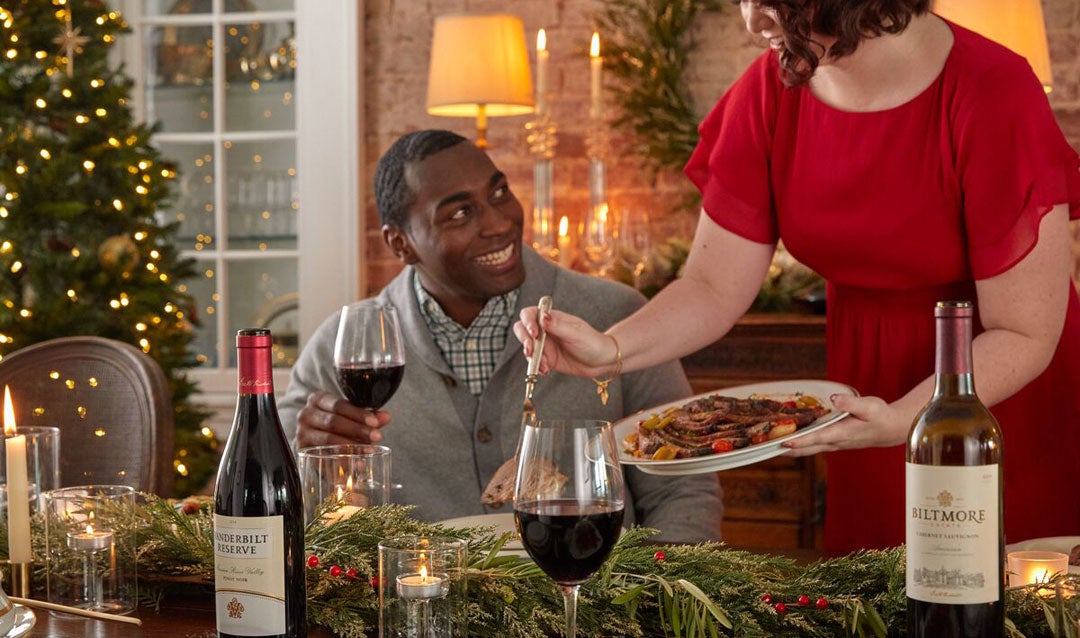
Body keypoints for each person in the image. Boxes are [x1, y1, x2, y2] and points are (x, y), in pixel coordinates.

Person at [515, 0, 1080, 555]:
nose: (753, 20)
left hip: (989, 401)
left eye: (781, 3)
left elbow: (1024, 332)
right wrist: (608, 350)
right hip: (867, 398)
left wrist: (907, 418)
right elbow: (712, 287)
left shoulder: (993, 89)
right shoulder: (771, 88)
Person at [276, 129, 723, 543]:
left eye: (499, 193)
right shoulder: (346, 347)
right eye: (461, 213)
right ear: (401, 244)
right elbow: (276, 498)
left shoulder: (616, 316)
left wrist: (661, 601)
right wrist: (309, 460)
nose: (498, 223)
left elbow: (684, 485)